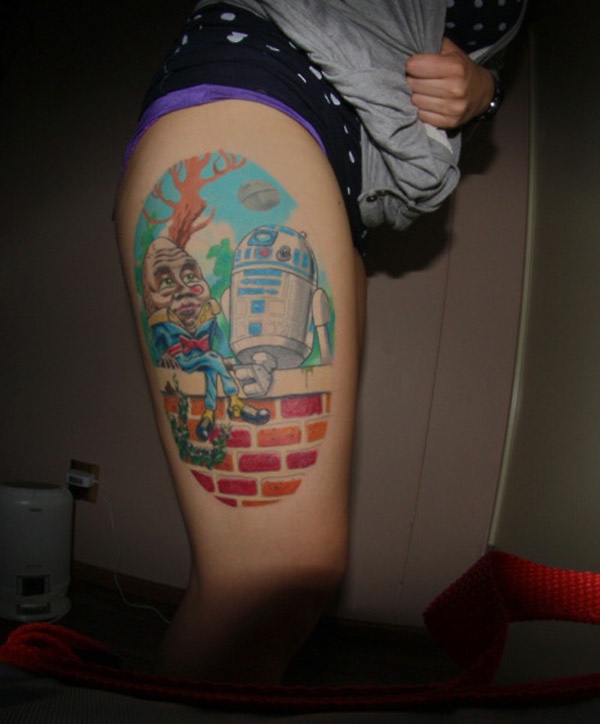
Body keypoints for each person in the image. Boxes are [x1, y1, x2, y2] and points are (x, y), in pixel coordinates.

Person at [114, 0, 527, 684]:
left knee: (280, 591)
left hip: (345, 173)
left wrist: (484, 91)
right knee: (272, 577)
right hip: (264, 78)